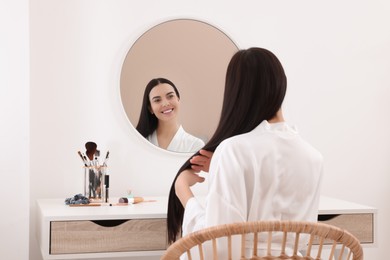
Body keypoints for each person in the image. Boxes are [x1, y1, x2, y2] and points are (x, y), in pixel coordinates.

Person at [167, 47, 324, 258]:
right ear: (281, 84)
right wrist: (222, 169)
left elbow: (218, 247)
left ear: (237, 92)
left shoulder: (233, 149)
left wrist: (182, 189)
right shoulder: (313, 157)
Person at [136, 78, 205, 153]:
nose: (165, 103)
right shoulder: (141, 141)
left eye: (170, 96)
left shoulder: (195, 145)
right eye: (157, 100)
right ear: (150, 108)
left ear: (178, 99)